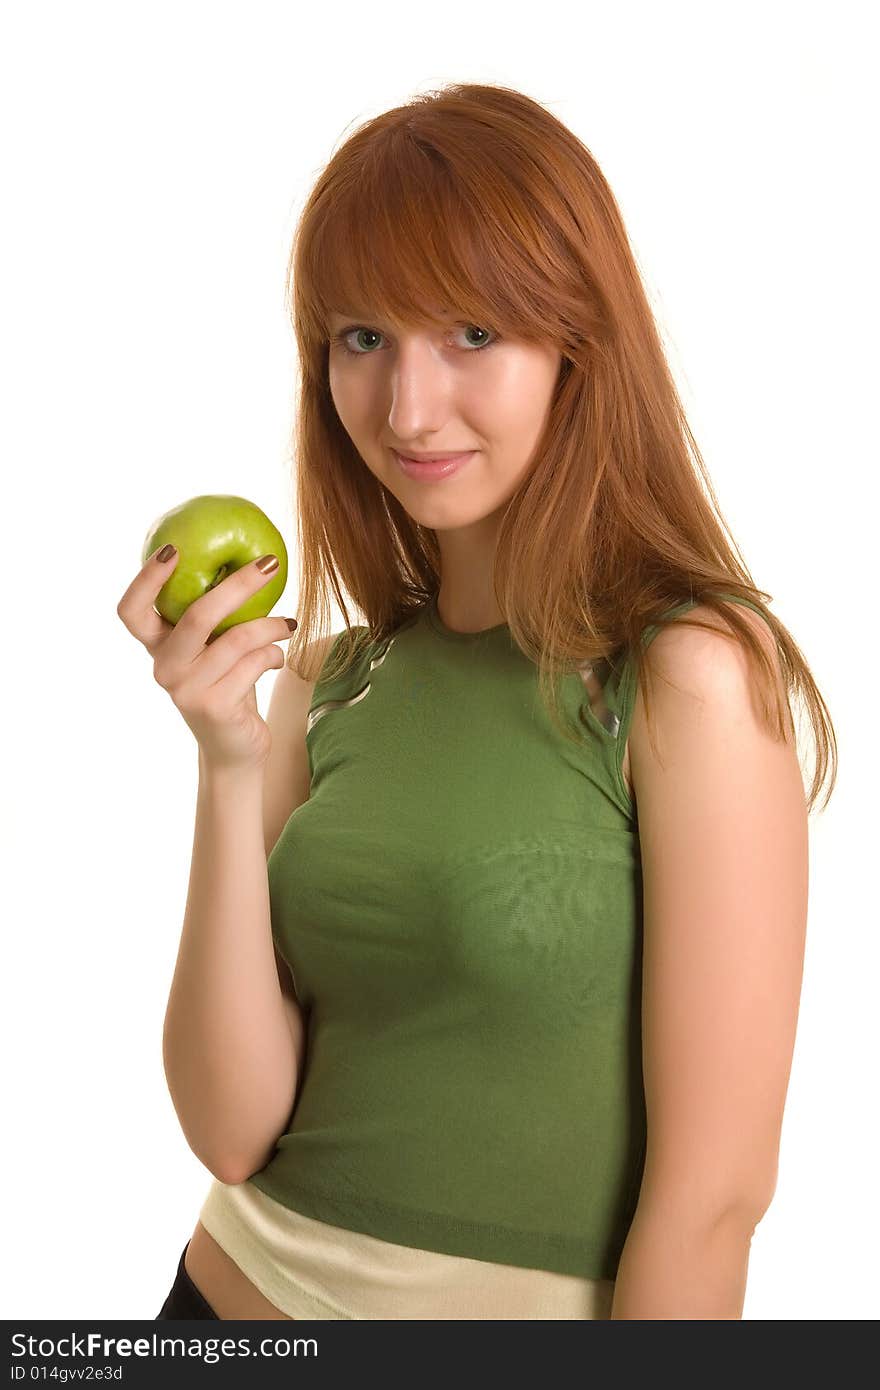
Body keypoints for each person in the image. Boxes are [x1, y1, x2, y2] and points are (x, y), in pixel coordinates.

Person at [117, 81, 835, 1321]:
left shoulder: (684, 676)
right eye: (361, 339)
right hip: (218, 1310)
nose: (405, 410)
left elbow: (713, 1197)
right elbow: (231, 1133)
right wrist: (226, 761)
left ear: (575, 341)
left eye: (469, 334)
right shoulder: (333, 683)